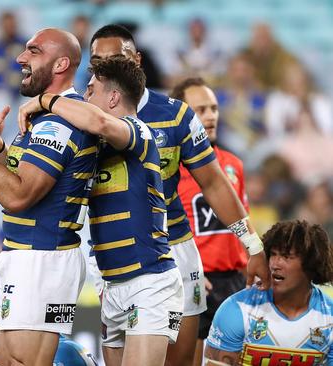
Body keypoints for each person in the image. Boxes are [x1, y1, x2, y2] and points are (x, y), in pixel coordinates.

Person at [88, 24, 270, 366]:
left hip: (174, 251)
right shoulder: (83, 118)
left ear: (136, 61)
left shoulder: (176, 115)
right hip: (111, 254)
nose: (104, 68)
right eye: (96, 61)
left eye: (115, 58)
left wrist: (253, 246)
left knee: (179, 362)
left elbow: (215, 184)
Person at [18, 54, 183, 366]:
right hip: (112, 284)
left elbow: (99, 121)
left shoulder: (138, 131)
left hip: (150, 282)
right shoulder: (98, 146)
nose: (84, 96)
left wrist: (43, 99)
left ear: (114, 97)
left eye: (91, 90)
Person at [0, 28, 96, 366]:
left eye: (34, 51)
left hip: (42, 257)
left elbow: (19, 196)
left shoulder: (59, 123)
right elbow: (17, 178)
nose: (20, 58)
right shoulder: (44, 118)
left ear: (60, 64)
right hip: (28, 255)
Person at [170, 77, 249, 366]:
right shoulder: (168, 168)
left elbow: (243, 221)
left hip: (235, 282)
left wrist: (253, 261)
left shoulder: (233, 165)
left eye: (213, 108)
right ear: (181, 115)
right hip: (194, 280)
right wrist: (184, 270)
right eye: (200, 109)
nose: (210, 116)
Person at [205, 220, 333, 365]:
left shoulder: (329, 318)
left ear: (311, 263)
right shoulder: (238, 309)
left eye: (286, 257)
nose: (275, 264)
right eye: (272, 254)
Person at [0, 309, 98, 366]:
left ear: (9, 342)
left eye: (0, 359)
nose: (3, 364)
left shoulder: (60, 352)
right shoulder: (52, 346)